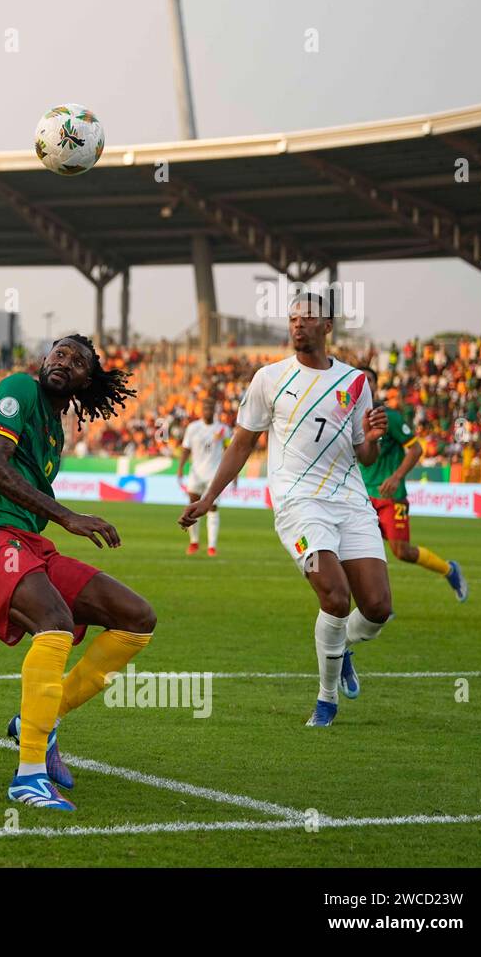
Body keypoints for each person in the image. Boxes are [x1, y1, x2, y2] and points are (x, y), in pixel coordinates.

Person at [0, 334, 157, 812]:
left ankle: (40, 718)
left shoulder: (55, 430)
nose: (63, 362)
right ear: (44, 358)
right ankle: (28, 776)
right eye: (59, 353)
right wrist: (67, 517)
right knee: (54, 621)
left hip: (21, 547)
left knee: (136, 617)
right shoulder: (19, 389)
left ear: (86, 380)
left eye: (76, 361)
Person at [181, 294, 392, 726]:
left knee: (377, 607)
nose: (298, 325)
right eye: (293, 318)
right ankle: (326, 698)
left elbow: (365, 456)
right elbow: (242, 443)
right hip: (299, 504)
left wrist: (372, 438)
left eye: (307, 318)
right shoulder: (270, 378)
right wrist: (209, 497)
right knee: (334, 595)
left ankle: (344, 646)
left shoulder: (355, 382)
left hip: (351, 502)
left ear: (327, 326)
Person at [358, 368, 467, 601]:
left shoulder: (390, 417)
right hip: (360, 496)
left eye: (369, 380)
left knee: (402, 551)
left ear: (377, 385)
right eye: (361, 380)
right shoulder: (348, 417)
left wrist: (396, 476)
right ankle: (375, 605)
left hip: (390, 495)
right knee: (359, 551)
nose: (365, 383)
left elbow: (416, 448)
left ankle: (449, 569)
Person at [177, 402, 232, 555]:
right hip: (196, 473)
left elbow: (229, 450)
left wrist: (232, 474)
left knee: (212, 507)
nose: (207, 410)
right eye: (205, 408)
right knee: (193, 506)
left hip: (214, 474)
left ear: (214, 410)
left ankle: (212, 546)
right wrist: (180, 467)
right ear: (202, 410)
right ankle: (194, 542)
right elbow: (186, 449)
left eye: (210, 408)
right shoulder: (193, 428)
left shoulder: (223, 429)